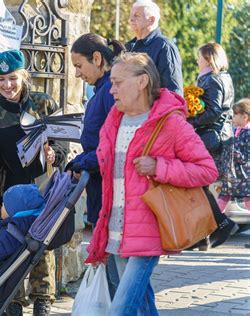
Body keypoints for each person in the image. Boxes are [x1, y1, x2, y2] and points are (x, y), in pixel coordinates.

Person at [85, 52, 218, 315]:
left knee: (120, 309)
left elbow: (206, 170)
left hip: (148, 231)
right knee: (143, 306)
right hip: (114, 229)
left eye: (118, 82)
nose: (111, 90)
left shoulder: (170, 123)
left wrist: (160, 167)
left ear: (142, 81)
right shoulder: (113, 120)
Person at [0, 50, 67, 315]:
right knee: (11, 243)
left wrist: (54, 153)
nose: (7, 85)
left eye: (12, 78)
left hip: (43, 186)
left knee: (41, 244)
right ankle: (12, 297)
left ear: (23, 76)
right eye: (0, 80)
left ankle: (42, 297)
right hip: (9, 189)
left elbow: (62, 142)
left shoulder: (43, 103)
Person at [67, 33, 124, 226]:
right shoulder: (102, 90)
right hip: (101, 187)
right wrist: (79, 161)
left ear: (97, 59)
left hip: (109, 191)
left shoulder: (110, 91)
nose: (76, 74)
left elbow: (116, 143)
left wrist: (82, 163)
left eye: (79, 66)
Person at [188, 42, 238, 248]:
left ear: (209, 58)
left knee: (197, 185)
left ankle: (223, 223)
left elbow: (214, 110)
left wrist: (189, 121)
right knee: (199, 186)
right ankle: (203, 236)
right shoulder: (224, 78)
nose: (197, 60)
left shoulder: (212, 79)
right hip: (217, 137)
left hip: (211, 138)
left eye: (200, 57)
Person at [126, 0, 183, 95]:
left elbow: (173, 92)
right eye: (131, 15)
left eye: (137, 15)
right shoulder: (129, 47)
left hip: (154, 109)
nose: (131, 19)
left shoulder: (165, 47)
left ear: (151, 20)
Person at [217, 98, 250, 211]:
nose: (232, 117)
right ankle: (215, 219)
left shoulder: (248, 134)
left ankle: (216, 219)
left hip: (244, 174)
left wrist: (232, 151)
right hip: (232, 173)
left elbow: (246, 157)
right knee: (224, 195)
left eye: (235, 115)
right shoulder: (235, 131)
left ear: (244, 117)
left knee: (247, 198)